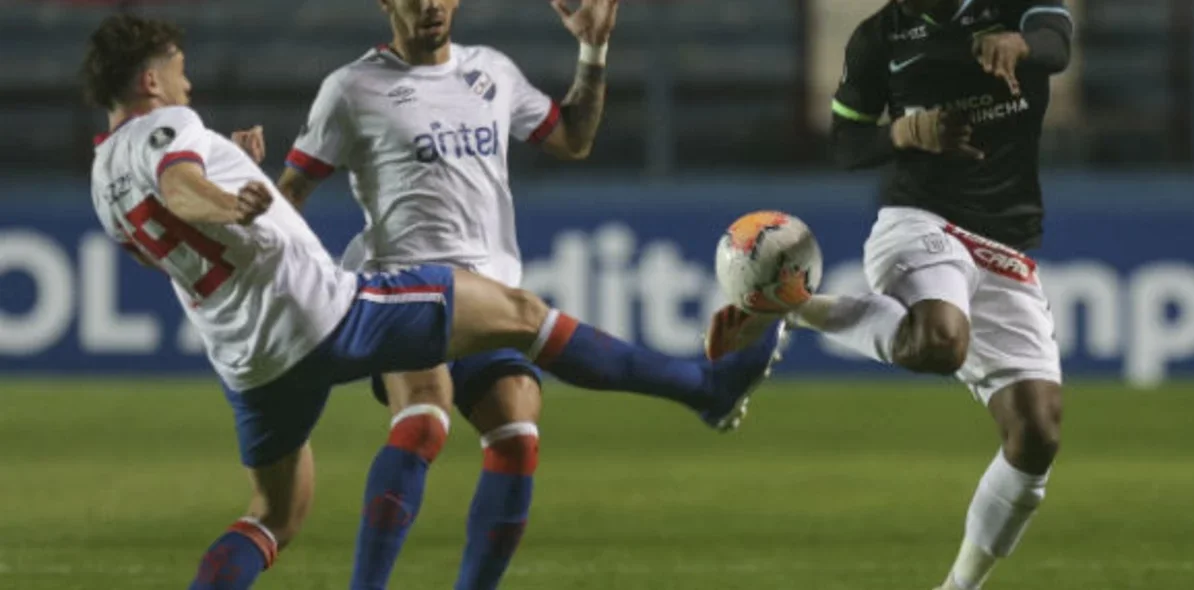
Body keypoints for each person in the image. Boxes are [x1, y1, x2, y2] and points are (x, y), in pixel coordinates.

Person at [80, 13, 785, 590]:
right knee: (518, 322)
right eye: (177, 70)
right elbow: (182, 188)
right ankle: (702, 388)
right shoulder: (216, 119)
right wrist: (231, 199)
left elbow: (171, 218)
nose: (189, 80)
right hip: (338, 305)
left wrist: (236, 180)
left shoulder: (103, 172)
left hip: (249, 361)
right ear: (151, 79)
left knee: (275, 515)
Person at [234, 1, 627, 587]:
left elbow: (573, 139)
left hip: (489, 297)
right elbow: (292, 194)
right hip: (406, 293)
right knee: (423, 421)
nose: (430, 6)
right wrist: (251, 203)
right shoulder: (350, 89)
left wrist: (592, 52)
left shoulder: (491, 71)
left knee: (518, 434)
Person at [705, 1, 1072, 589]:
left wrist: (1020, 45)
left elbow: (1055, 44)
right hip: (919, 220)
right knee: (942, 342)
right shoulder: (879, 37)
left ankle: (958, 587)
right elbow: (847, 142)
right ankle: (801, 310)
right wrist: (902, 132)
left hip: (1005, 243)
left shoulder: (1014, 7)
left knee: (1037, 435)